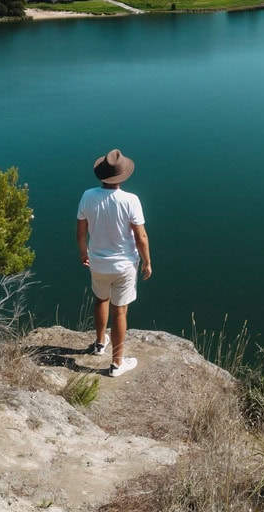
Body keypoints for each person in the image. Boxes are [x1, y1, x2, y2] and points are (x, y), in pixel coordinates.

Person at [76, 149, 152, 377]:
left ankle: (100, 343)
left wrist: (83, 253)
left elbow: (81, 231)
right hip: (124, 265)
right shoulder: (130, 200)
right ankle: (117, 364)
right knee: (120, 311)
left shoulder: (87, 196)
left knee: (100, 299)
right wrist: (147, 262)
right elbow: (141, 236)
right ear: (122, 176)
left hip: (98, 262)